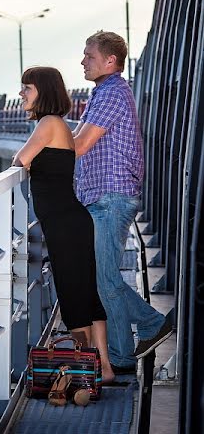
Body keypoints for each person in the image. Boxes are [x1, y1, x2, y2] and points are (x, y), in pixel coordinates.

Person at [74, 30, 172, 373]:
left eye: (89, 55)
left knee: (105, 280)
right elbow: (77, 139)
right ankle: (129, 347)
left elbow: (80, 144)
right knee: (105, 278)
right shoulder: (102, 92)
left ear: (110, 60)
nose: (83, 61)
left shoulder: (113, 93)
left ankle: (144, 332)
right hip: (103, 196)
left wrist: (43, 145)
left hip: (111, 198)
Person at [13, 66, 115, 383]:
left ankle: (85, 372)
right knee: (85, 295)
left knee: (73, 299)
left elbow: (20, 160)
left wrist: (24, 164)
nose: (21, 94)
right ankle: (105, 370)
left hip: (64, 226)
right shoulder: (58, 125)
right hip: (72, 222)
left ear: (42, 91)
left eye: (26, 88)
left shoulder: (48, 123)